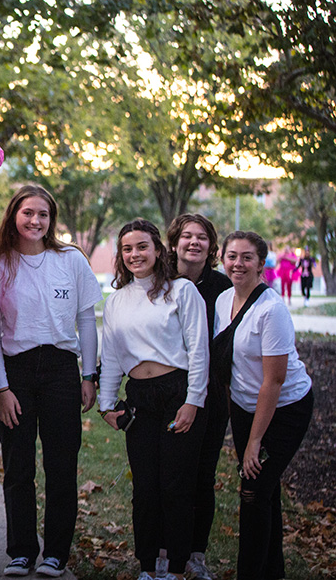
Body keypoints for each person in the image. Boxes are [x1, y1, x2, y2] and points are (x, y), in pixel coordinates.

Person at [0, 185, 102, 578]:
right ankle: (20, 551)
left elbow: (86, 319)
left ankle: (55, 553)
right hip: (15, 371)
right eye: (28, 213)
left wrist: (89, 375)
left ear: (52, 220)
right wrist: (0, 389)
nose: (35, 221)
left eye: (43, 214)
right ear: (13, 216)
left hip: (61, 370)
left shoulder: (69, 260)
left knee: (61, 465)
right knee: (18, 465)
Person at [99, 219, 209, 580]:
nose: (135, 255)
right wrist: (106, 403)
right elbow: (112, 355)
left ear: (159, 250)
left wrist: (193, 400)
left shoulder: (181, 291)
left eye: (142, 246)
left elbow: (198, 351)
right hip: (140, 398)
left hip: (177, 393)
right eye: (127, 249)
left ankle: (176, 567)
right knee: (145, 488)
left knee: (175, 486)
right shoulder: (117, 300)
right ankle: (149, 566)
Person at [216, 231, 313, 580]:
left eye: (246, 257)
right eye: (232, 256)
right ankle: (273, 572)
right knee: (265, 491)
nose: (238, 263)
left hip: (284, 409)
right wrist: (236, 419)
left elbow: (273, 382)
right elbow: (229, 364)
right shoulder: (223, 300)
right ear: (223, 259)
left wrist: (254, 441)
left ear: (261, 264)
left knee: (253, 492)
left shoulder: (271, 310)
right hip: (245, 407)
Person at [166, 213, 231, 580]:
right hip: (167, 391)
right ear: (174, 242)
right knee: (170, 476)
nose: (194, 242)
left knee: (202, 476)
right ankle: (163, 550)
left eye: (202, 237)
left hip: (211, 394)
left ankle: (195, 554)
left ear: (211, 245)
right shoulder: (160, 281)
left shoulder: (223, 287)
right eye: (187, 236)